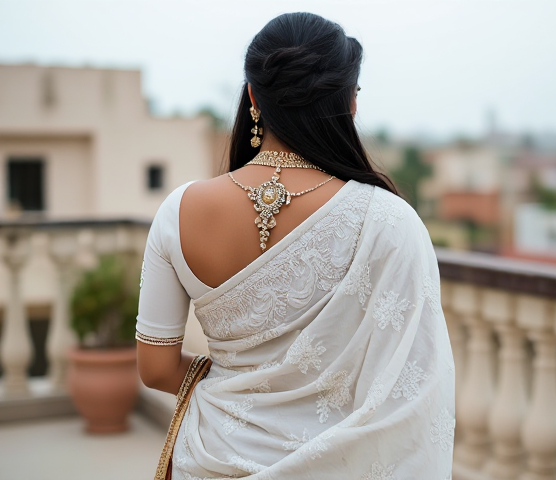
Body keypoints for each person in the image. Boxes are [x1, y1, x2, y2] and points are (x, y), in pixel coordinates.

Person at [136, 12, 454, 480]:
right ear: (347, 102)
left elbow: (156, 368)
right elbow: (414, 390)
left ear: (252, 97)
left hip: (208, 460)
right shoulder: (389, 221)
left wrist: (244, 384)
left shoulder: (178, 211)